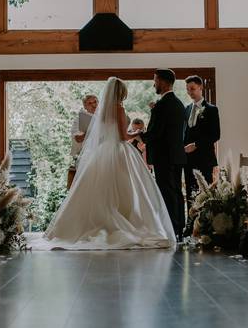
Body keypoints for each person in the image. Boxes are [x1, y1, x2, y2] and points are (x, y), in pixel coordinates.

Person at [35, 77, 175, 250]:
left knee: (99, 189)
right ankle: (125, 223)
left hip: (103, 151)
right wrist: (137, 132)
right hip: (118, 150)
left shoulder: (103, 110)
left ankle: (89, 225)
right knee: (127, 190)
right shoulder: (119, 108)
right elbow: (123, 136)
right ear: (121, 92)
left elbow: (108, 132)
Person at [140, 69, 187, 239]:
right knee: (176, 192)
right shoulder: (179, 104)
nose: (154, 84)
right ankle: (179, 228)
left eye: (156, 81)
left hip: (164, 156)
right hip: (177, 155)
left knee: (166, 192)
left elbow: (155, 132)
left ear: (164, 82)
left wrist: (139, 135)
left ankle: (170, 230)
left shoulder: (162, 105)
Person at [182, 75, 221, 204]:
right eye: (187, 89)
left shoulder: (211, 110)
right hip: (188, 159)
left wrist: (196, 144)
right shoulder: (186, 109)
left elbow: (215, 135)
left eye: (192, 88)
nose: (189, 92)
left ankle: (204, 223)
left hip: (205, 158)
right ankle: (191, 223)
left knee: (205, 193)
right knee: (190, 193)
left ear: (200, 88)